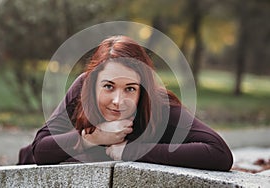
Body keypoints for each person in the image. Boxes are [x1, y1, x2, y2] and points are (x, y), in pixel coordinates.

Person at [18, 35, 233, 171]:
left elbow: (219, 153)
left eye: (130, 88)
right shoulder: (82, 88)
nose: (118, 101)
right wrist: (93, 138)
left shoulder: (160, 106)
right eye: (108, 86)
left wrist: (131, 151)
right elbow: (40, 151)